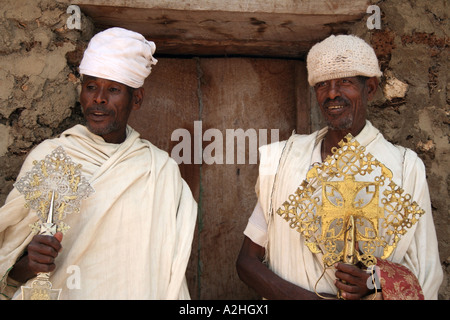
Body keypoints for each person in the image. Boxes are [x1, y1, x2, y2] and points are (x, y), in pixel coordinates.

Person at [236, 34, 443, 300]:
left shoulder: (405, 168)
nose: (332, 93)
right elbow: (247, 262)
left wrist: (374, 282)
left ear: (370, 88)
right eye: (322, 84)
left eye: (345, 82)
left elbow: (425, 273)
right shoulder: (284, 160)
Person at [0, 27, 197, 300]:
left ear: (136, 99)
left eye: (113, 89)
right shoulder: (52, 159)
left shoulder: (159, 169)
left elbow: (165, 271)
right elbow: (8, 267)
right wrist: (28, 264)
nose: (99, 98)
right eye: (91, 86)